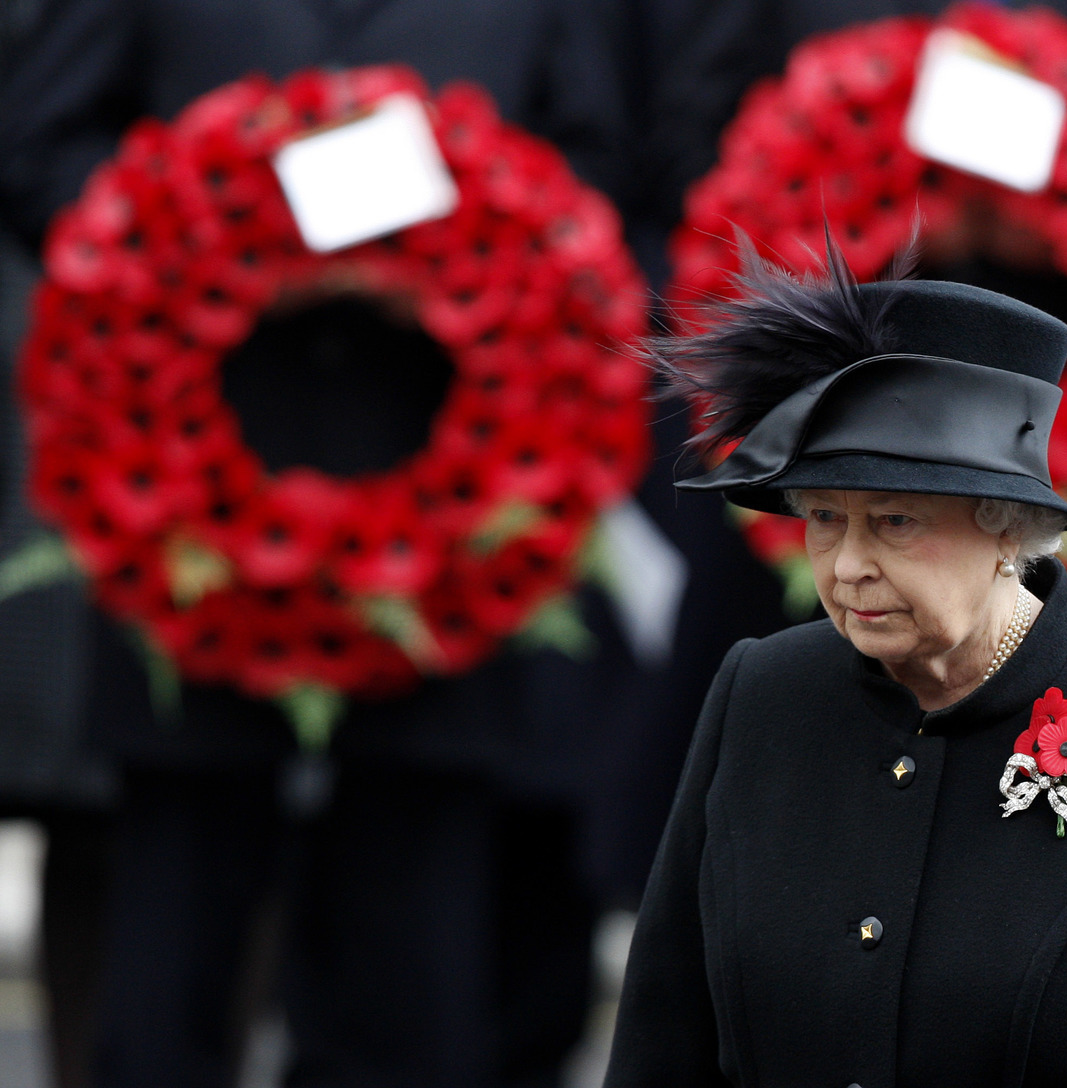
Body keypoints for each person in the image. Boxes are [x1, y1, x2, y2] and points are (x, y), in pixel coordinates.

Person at [0, 1, 641, 1083]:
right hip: (191, 505)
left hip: (447, 507)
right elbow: (41, 140)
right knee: (169, 946)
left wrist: (451, 261)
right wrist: (212, 237)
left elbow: (597, 161)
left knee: (412, 959)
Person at [602, 247, 1067, 1088]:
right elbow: (664, 1036)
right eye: (827, 518)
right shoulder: (760, 695)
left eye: (896, 521)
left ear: (1006, 529)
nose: (845, 566)